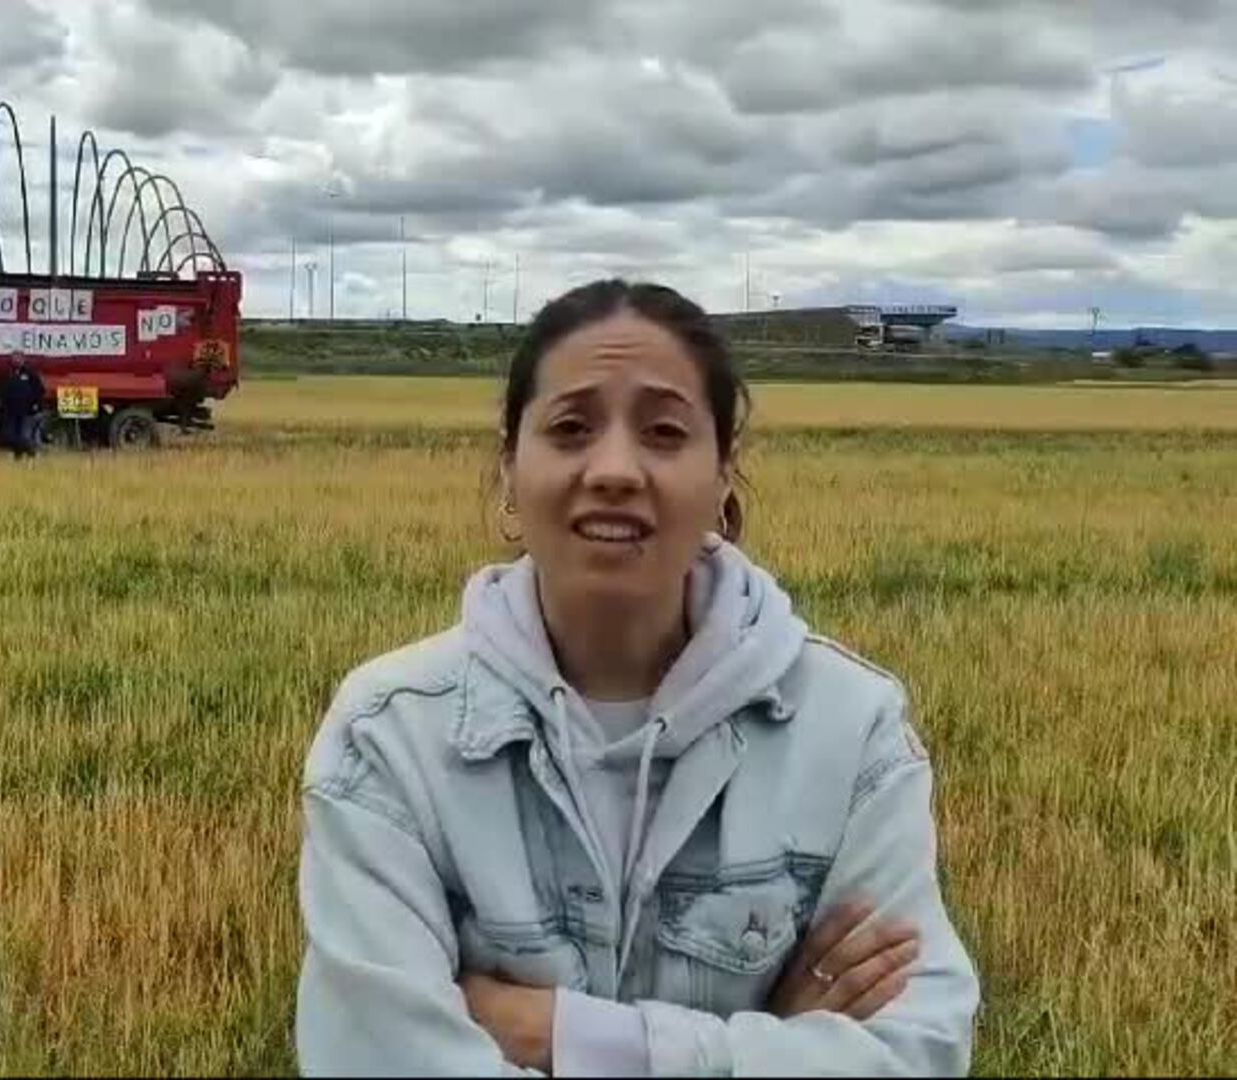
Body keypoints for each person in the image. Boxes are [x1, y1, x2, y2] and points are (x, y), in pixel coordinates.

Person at [294, 280, 979, 1076]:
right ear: (510, 467)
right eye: (572, 427)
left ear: (724, 474)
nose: (615, 468)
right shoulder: (391, 737)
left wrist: (555, 1035)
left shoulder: (851, 730)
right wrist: (771, 1047)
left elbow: (918, 1053)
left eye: (663, 431)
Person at [2, 351, 47, 459]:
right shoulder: (10, 374)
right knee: (12, 435)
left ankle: (32, 453)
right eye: (13, 358)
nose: (15, 361)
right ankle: (18, 455)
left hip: (27, 410)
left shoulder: (30, 373)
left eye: (18, 358)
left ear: (23, 359)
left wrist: (36, 404)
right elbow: (6, 391)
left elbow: (40, 390)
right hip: (12, 410)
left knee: (24, 435)